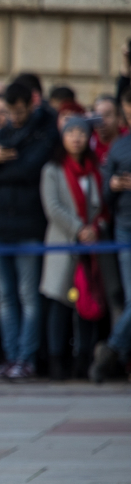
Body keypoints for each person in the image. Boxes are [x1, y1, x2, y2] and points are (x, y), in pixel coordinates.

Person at [0, 80, 58, 381]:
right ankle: (11, 357)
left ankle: (27, 358)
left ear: (30, 105)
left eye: (20, 111)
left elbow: (29, 170)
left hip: (28, 226)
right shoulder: (0, 137)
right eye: (12, 111)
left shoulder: (43, 132)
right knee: (5, 297)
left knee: (28, 296)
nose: (16, 117)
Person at [39, 116, 108, 380]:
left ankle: (84, 359)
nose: (76, 137)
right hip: (63, 243)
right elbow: (53, 207)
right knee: (59, 302)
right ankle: (57, 360)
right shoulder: (53, 170)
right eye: (71, 132)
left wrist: (95, 228)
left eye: (81, 132)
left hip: (91, 245)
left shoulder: (95, 170)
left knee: (88, 302)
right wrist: (79, 228)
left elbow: (102, 206)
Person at [90, 87, 131, 381]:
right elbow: (103, 194)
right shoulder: (119, 147)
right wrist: (114, 186)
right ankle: (118, 354)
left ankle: (112, 349)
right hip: (124, 227)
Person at [91, 96, 125, 164]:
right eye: (97, 116)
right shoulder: (87, 142)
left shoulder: (127, 141)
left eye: (107, 115)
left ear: (118, 117)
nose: (102, 121)